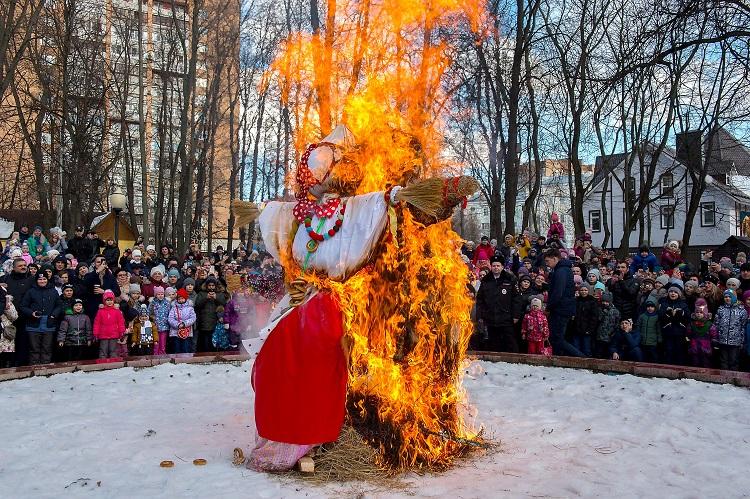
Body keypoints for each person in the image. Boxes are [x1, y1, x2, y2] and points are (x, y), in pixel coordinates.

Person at [475, 256, 520, 353]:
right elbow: (480, 300)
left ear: (502, 267)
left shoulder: (510, 279)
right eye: (494, 265)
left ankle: (514, 361)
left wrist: (516, 315)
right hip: (491, 317)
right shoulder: (486, 280)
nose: (496, 268)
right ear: (491, 266)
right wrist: (480, 315)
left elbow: (516, 299)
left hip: (506, 317)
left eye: (498, 266)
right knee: (494, 341)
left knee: (510, 340)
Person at [544, 248, 583, 357]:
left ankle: (581, 358)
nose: (546, 264)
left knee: (557, 338)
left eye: (548, 261)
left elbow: (558, 292)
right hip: (563, 308)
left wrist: (548, 308)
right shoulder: (563, 270)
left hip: (561, 310)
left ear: (555, 258)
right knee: (556, 338)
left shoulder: (561, 271)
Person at [19, 272, 62, 364]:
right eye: (40, 279)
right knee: (34, 348)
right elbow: (23, 306)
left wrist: (53, 315)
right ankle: (34, 368)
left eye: (44, 279)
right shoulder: (31, 291)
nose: (42, 281)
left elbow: (59, 305)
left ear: (47, 280)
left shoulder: (53, 291)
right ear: (36, 280)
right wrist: (31, 313)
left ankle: (45, 367)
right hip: (33, 324)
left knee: (47, 348)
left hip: (48, 323)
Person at [713, 289, 746, 371]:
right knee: (723, 360)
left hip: (735, 342)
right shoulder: (721, 309)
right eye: (725, 297)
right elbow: (716, 324)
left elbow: (743, 327)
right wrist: (716, 338)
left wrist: (741, 341)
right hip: (723, 340)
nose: (727, 298)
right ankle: (724, 378)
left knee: (733, 360)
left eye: (729, 297)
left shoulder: (741, 311)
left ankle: (733, 378)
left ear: (734, 297)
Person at [658, 283, 690, 365]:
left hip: (680, 332)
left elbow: (688, 317)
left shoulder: (683, 304)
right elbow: (660, 316)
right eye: (671, 291)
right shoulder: (664, 304)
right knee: (668, 350)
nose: (673, 293)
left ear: (679, 294)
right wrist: (667, 314)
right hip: (668, 332)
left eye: (675, 292)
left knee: (679, 351)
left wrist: (681, 314)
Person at [93, 289, 127, 359]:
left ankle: (113, 364)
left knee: (113, 351)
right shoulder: (100, 311)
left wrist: (121, 332)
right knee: (103, 350)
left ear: (113, 300)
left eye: (111, 300)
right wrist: (96, 333)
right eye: (107, 300)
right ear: (104, 301)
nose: (109, 302)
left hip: (114, 334)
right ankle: (102, 364)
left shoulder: (117, 311)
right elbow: (97, 323)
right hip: (103, 335)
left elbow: (121, 322)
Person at [573, 284, 599, 357]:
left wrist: (590, 329)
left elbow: (594, 317)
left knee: (586, 348)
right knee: (576, 347)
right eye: (581, 290)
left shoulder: (592, 301)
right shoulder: (576, 300)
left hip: (587, 329)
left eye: (585, 290)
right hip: (576, 328)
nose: (583, 292)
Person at [687, 299, 714, 368]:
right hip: (694, 347)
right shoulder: (692, 324)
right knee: (695, 362)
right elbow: (688, 333)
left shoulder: (709, 324)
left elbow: (714, 334)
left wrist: (714, 343)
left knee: (706, 363)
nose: (698, 314)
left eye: (701, 312)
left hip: (705, 348)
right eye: (697, 312)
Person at [168, 288, 196, 354]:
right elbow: (170, 318)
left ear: (186, 299)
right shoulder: (174, 308)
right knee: (176, 348)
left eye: (182, 298)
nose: (180, 300)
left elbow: (193, 318)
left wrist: (184, 324)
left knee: (185, 348)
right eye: (179, 298)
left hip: (186, 332)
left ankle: (186, 361)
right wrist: (177, 324)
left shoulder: (190, 308)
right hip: (175, 332)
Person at [596, 291, 620, 358]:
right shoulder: (599, 309)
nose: (605, 303)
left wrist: (613, 333)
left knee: (607, 353)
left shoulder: (615, 311)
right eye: (603, 301)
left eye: (606, 302)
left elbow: (617, 323)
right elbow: (598, 320)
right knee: (599, 353)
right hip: (600, 336)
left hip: (610, 337)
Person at [637, 298, 661, 363]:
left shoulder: (657, 317)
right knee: (644, 357)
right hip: (643, 341)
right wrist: (639, 337)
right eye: (648, 306)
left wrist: (659, 339)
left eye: (652, 306)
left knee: (654, 356)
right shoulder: (642, 316)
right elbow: (638, 327)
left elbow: (658, 329)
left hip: (653, 342)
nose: (650, 308)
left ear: (655, 307)